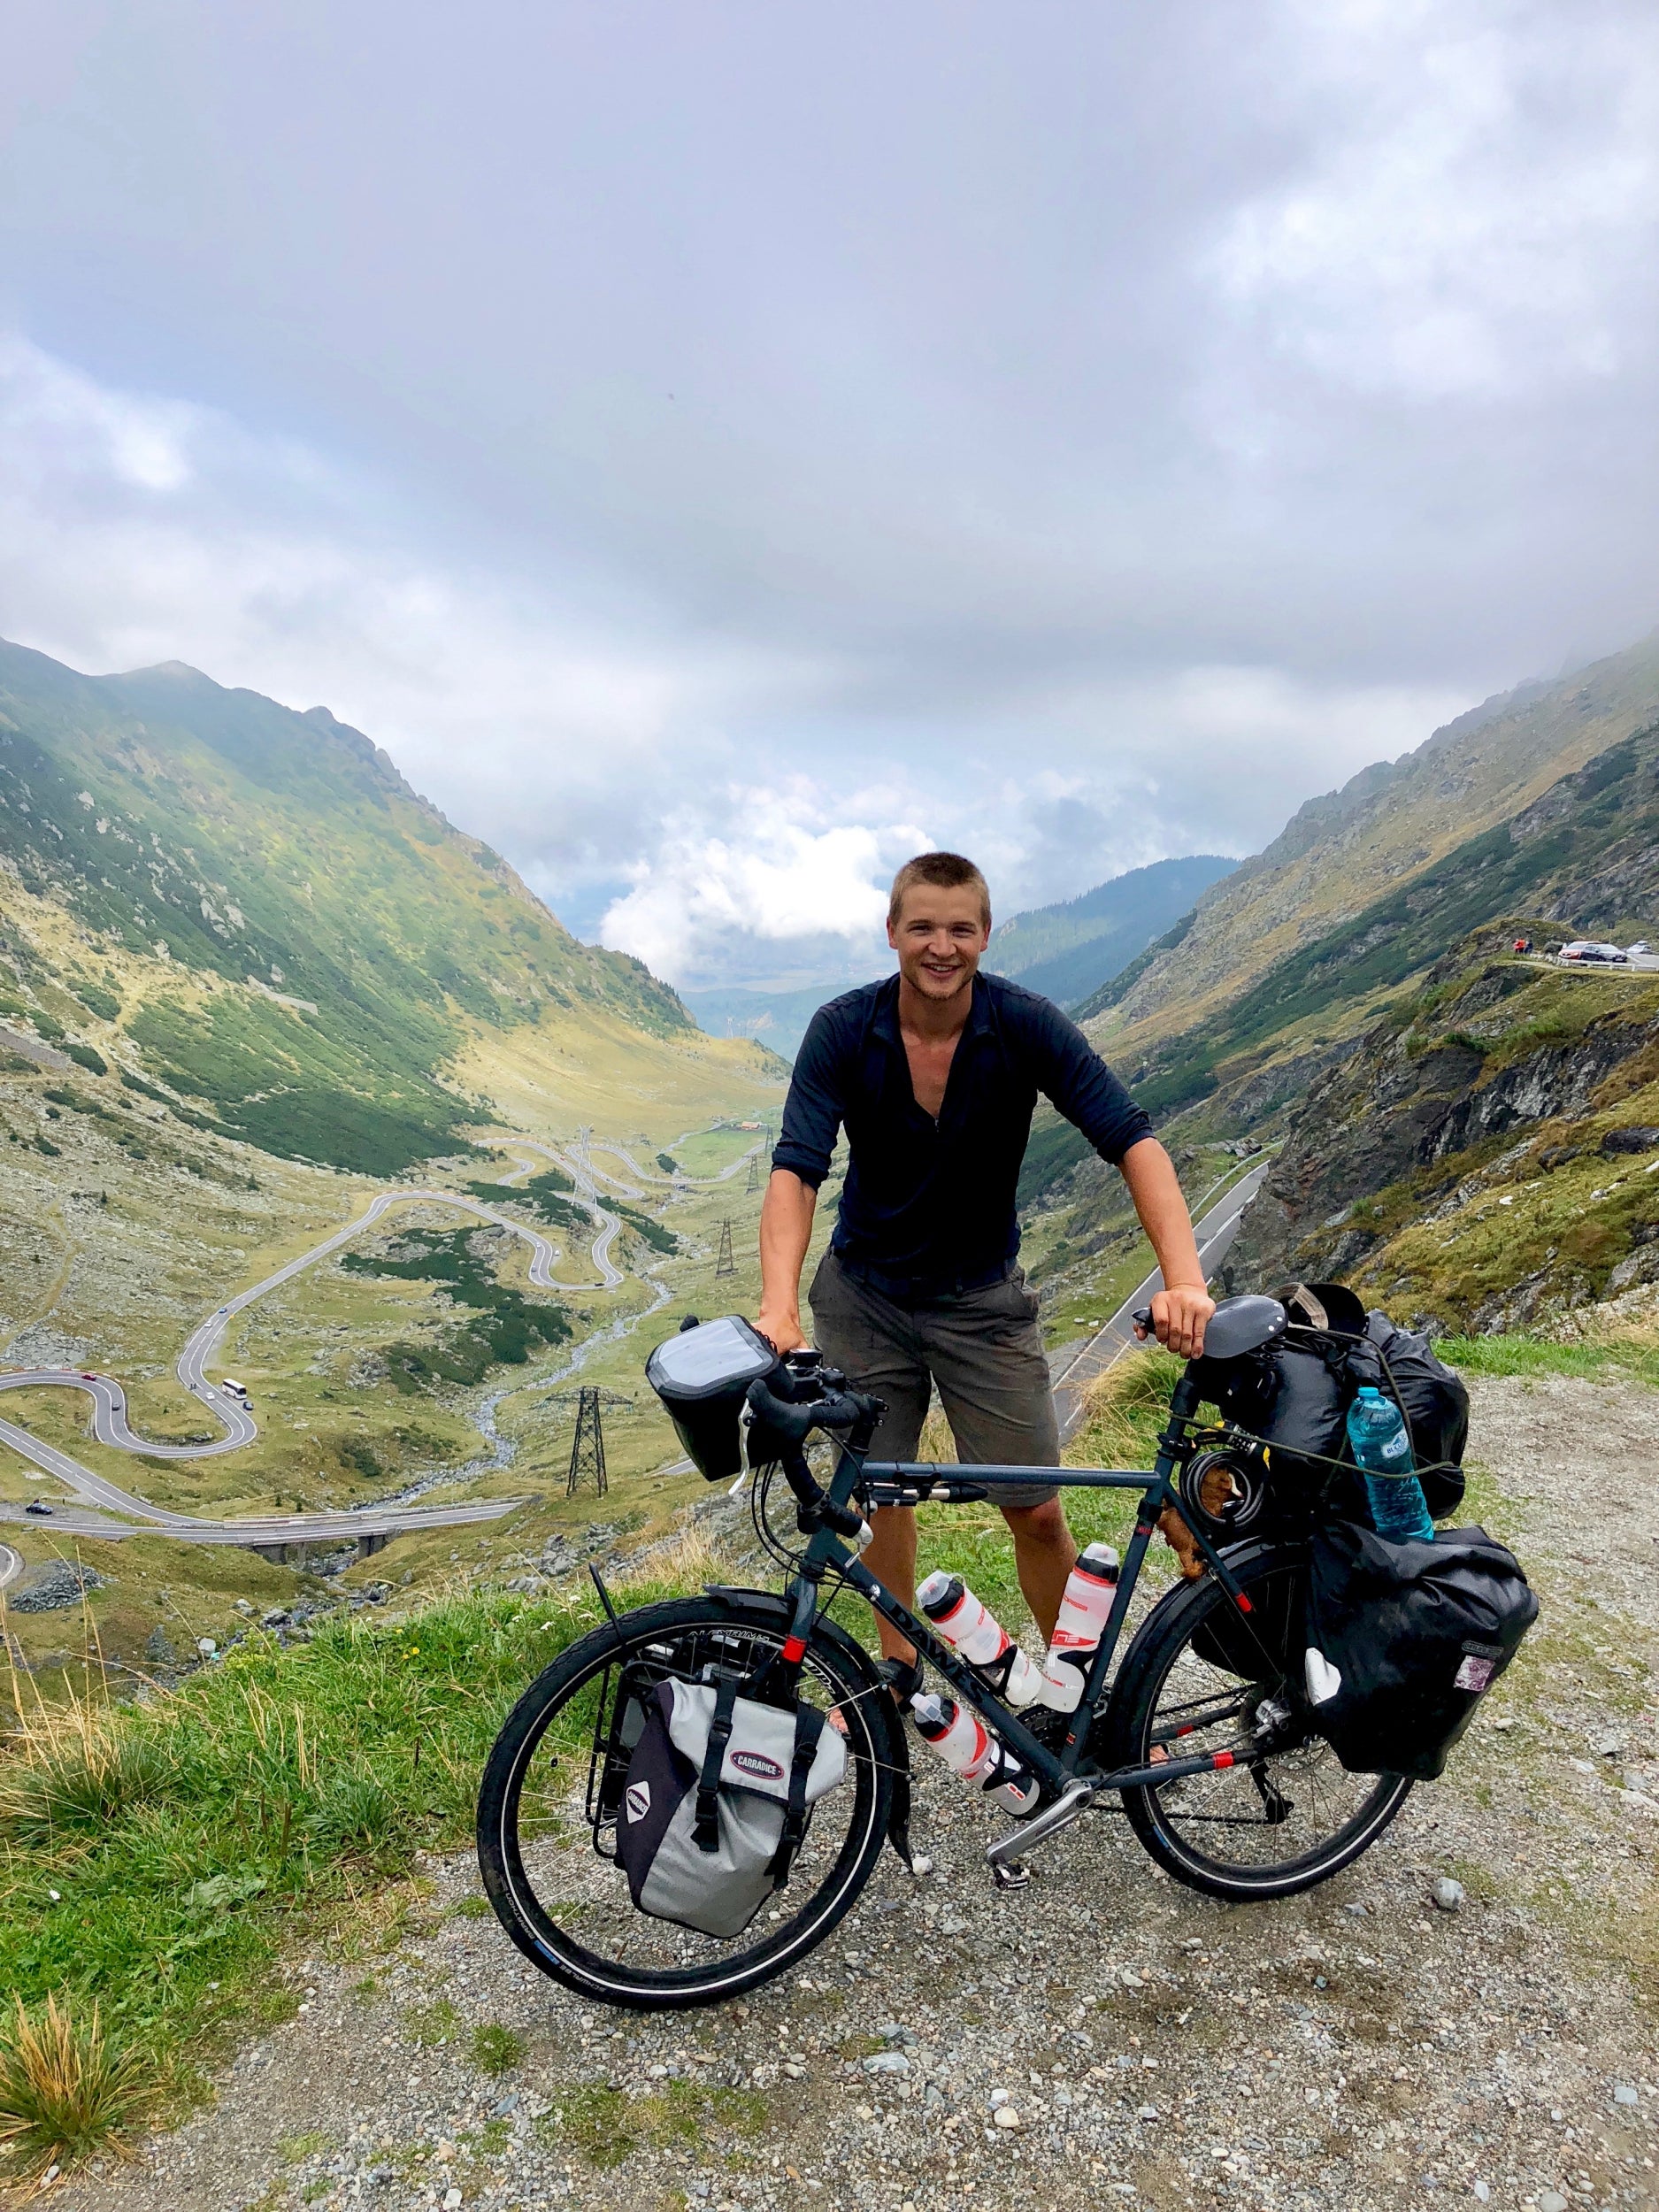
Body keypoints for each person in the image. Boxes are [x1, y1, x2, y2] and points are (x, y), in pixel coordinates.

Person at [756, 849, 1215, 1686]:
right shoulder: (841, 1029)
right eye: (922, 926)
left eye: (960, 929)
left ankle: (1076, 1694)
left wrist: (1183, 1280)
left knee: (1035, 1508)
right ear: (892, 931)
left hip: (982, 1301)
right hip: (863, 1298)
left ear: (986, 936)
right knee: (876, 1496)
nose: (941, 946)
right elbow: (797, 1168)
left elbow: (1132, 1140)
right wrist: (777, 1307)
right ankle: (894, 1678)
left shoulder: (1025, 1025)